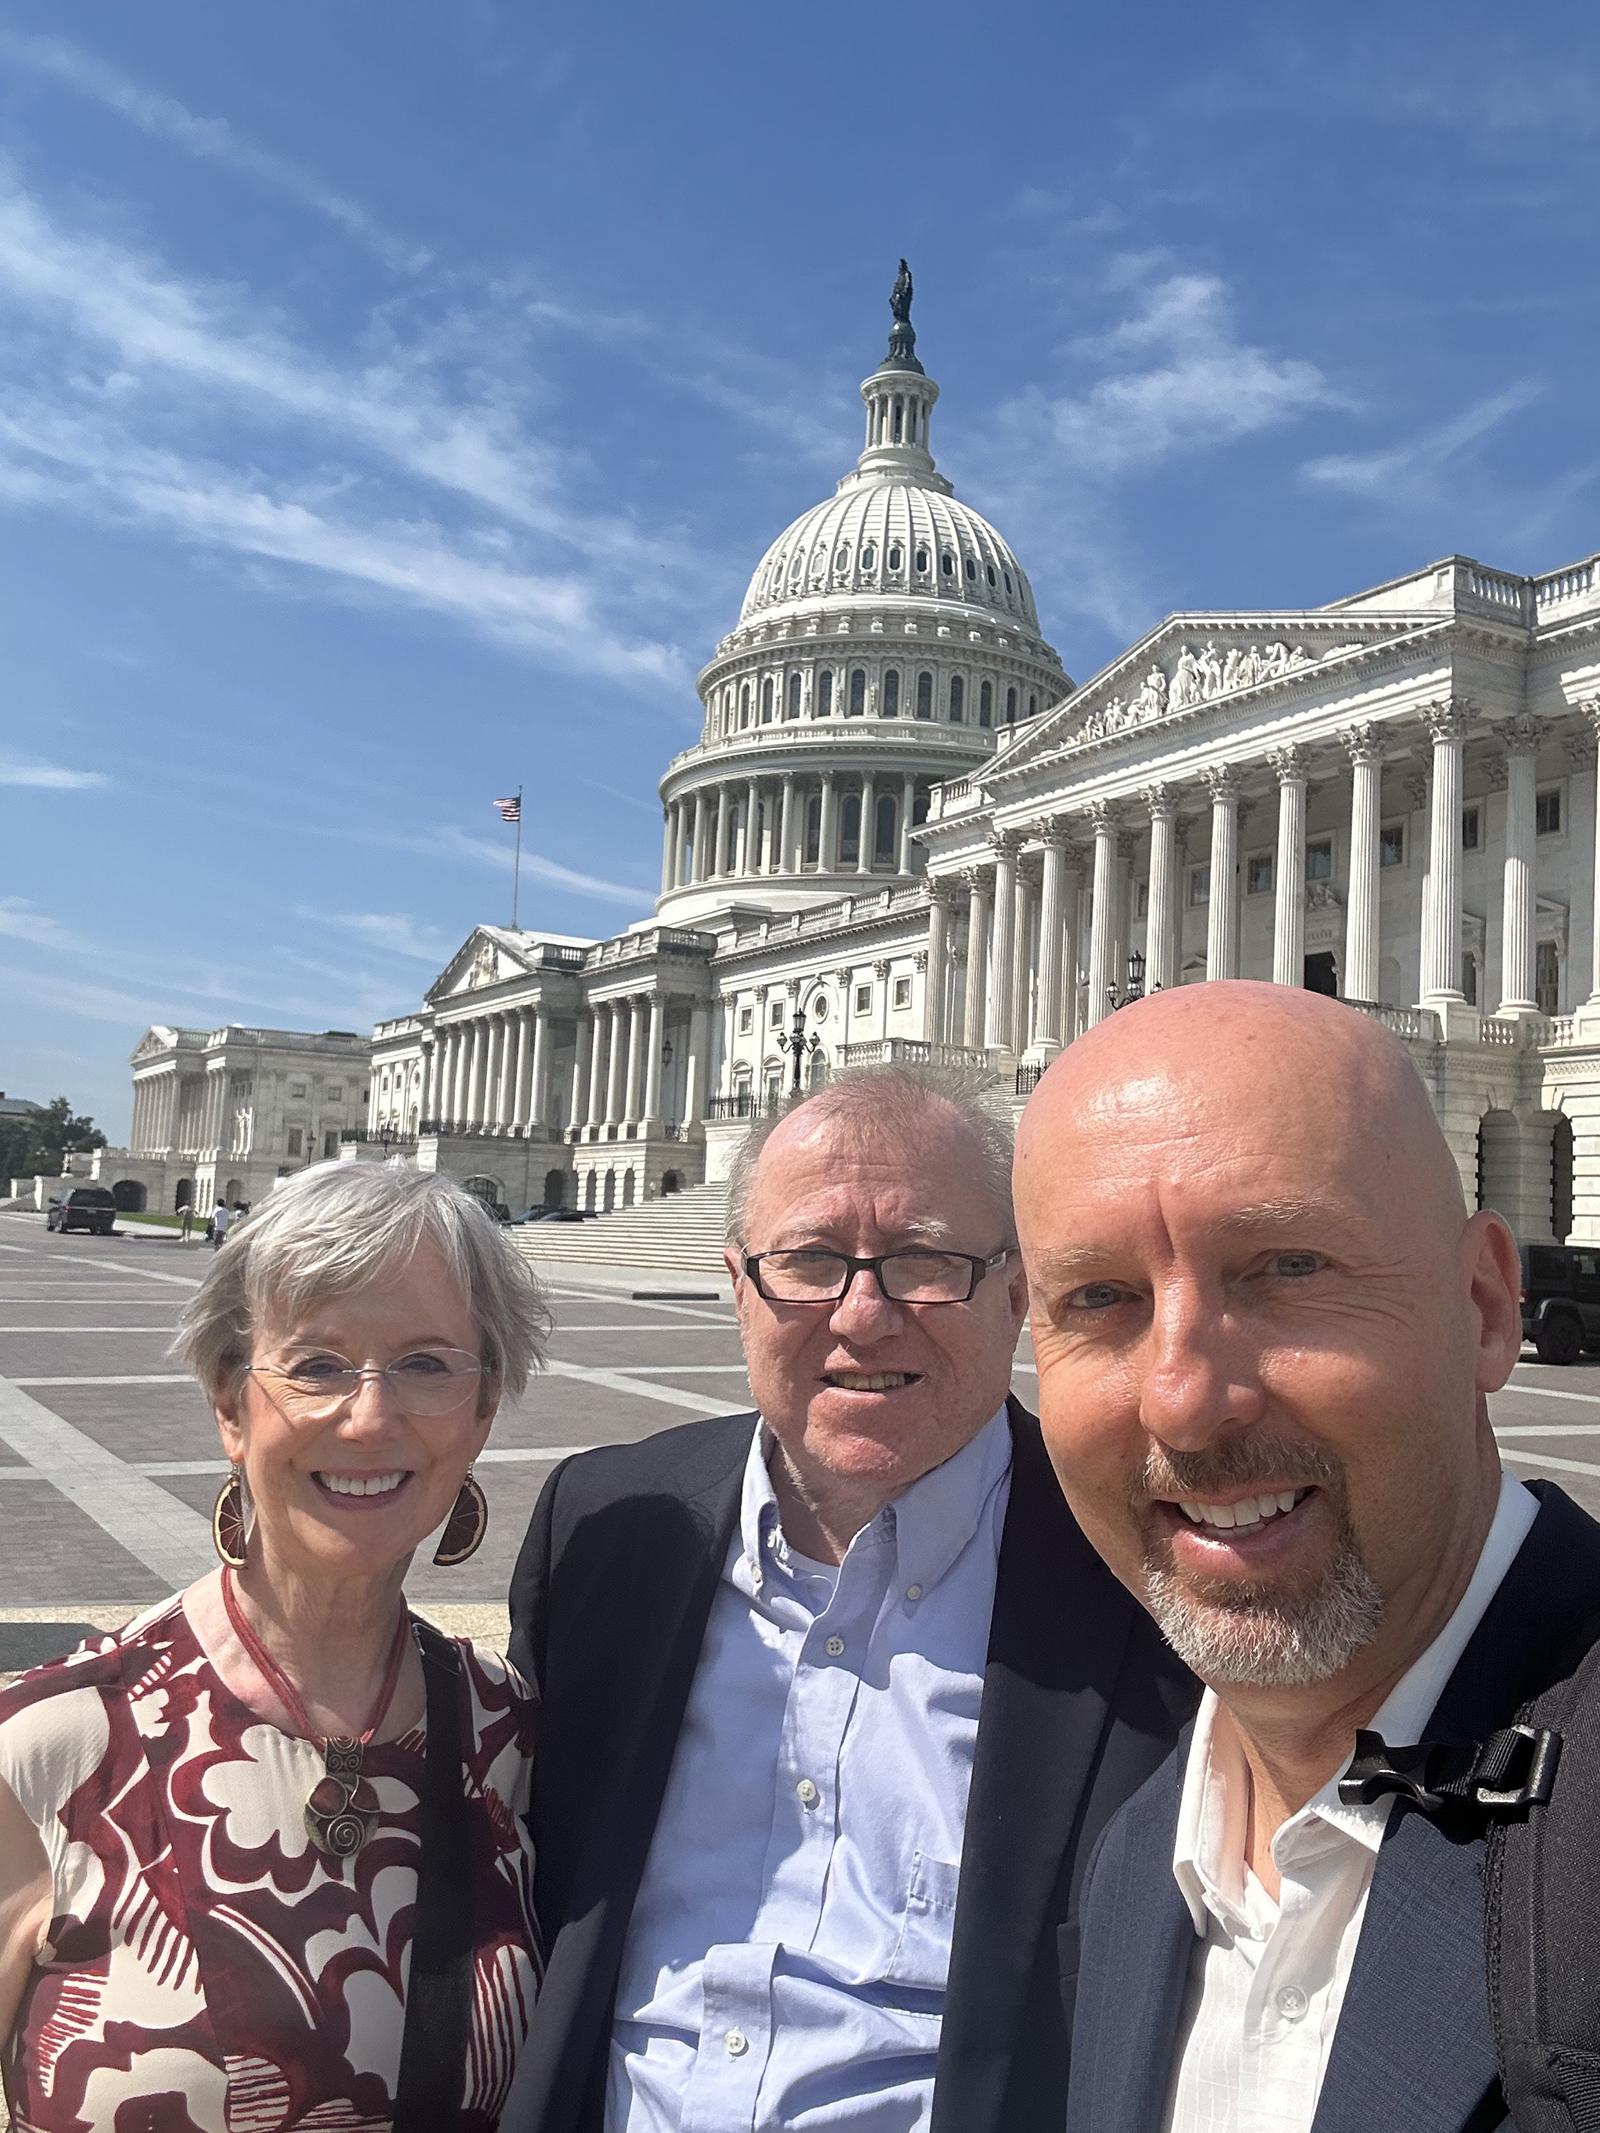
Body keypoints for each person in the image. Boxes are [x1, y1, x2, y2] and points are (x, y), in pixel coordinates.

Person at [505, 1064, 1197, 2133]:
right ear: (738, 1286)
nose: (863, 1315)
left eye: (925, 1261)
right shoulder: (603, 1527)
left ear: (1016, 1293)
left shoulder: (1147, 1571)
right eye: (809, 1261)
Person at [1012, 981, 1600, 2133]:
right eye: (1099, 1297)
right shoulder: (1135, 1854)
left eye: (1285, 1268)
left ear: (1484, 1308)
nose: (1183, 1403)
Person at [0, 1164, 551, 2129]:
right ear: (229, 1403)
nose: (370, 1416)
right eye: (318, 1364)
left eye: (427, 1364)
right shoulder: (49, 1748)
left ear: (484, 1408)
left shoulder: (513, 1737)